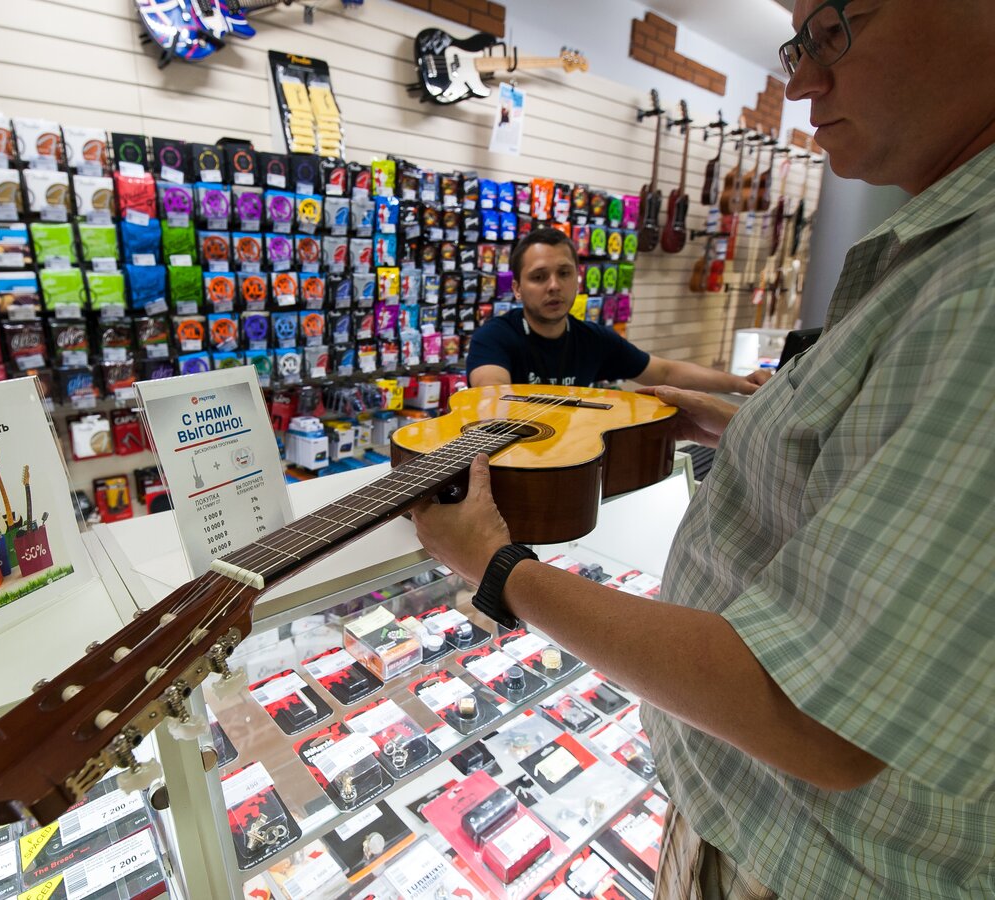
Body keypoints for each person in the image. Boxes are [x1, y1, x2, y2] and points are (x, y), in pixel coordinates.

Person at [413, 1, 995, 897]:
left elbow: (822, 724)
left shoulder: (979, 291)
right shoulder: (938, 259)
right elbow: (491, 394)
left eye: (836, 22)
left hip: (804, 861)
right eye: (797, 39)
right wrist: (741, 419)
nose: (800, 78)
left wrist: (499, 570)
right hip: (748, 816)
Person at [466, 228, 770, 394]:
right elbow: (490, 389)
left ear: (578, 279)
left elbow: (665, 371)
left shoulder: (593, 340)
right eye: (538, 277)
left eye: (564, 273)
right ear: (517, 288)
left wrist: (740, 384)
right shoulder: (493, 338)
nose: (554, 286)